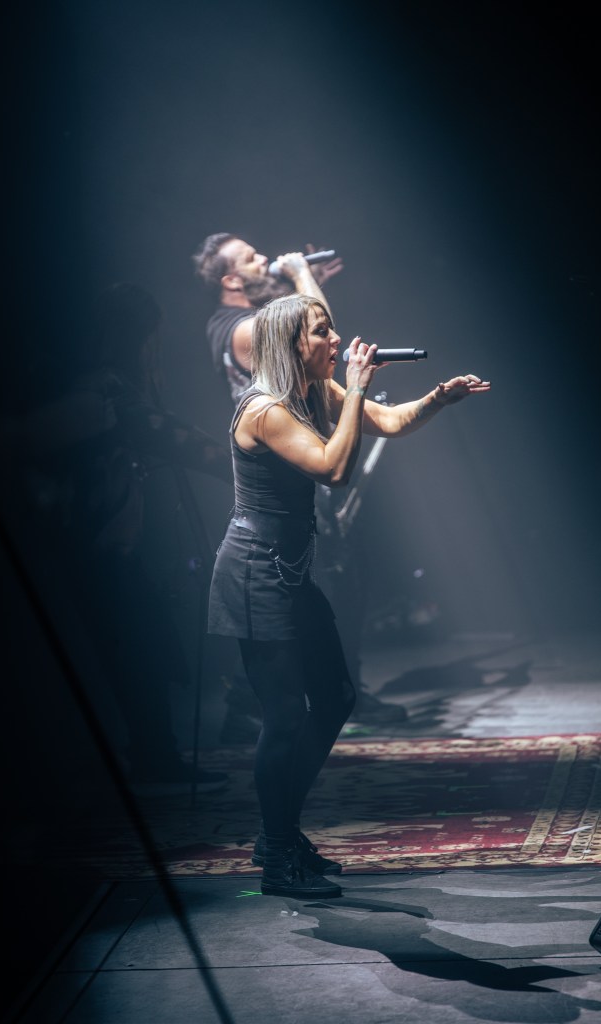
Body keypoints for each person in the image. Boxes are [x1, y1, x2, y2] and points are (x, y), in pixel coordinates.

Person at [207, 292, 491, 897]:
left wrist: (438, 398)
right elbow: (334, 471)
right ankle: (278, 852)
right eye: (321, 331)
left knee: (335, 698)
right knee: (285, 716)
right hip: (253, 576)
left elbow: (390, 423)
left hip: (290, 574)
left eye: (331, 329)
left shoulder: (316, 390)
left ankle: (279, 832)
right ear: (291, 344)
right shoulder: (265, 409)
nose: (335, 339)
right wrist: (357, 387)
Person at [3, 283, 234, 790]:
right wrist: (247, 469)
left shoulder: (94, 386)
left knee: (139, 646)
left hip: (96, 546)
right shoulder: (103, 390)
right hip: (93, 548)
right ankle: (152, 756)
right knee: (137, 648)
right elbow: (175, 437)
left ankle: (154, 753)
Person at [193, 232, 407, 734]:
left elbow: (315, 334)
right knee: (313, 589)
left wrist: (302, 287)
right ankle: (259, 707)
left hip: (294, 461)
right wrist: (302, 277)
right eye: (251, 259)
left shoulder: (251, 319)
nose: (264, 259)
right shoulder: (240, 328)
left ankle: (291, 701)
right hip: (281, 462)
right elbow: (318, 340)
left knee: (325, 584)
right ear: (230, 280)